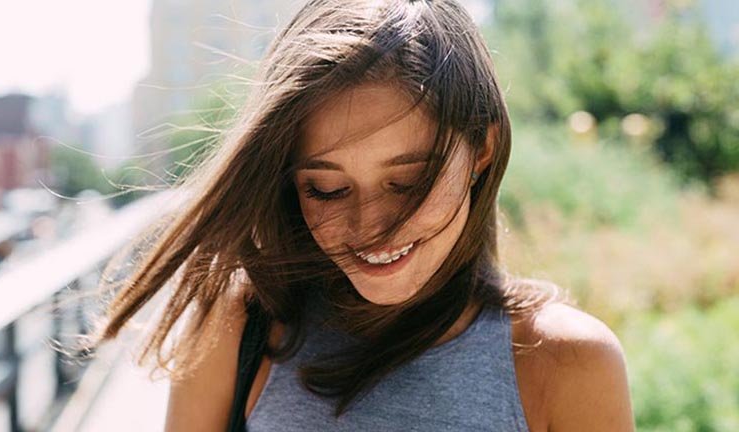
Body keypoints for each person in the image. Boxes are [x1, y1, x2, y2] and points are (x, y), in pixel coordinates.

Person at [90, 0, 635, 430]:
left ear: (482, 150)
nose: (371, 226)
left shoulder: (568, 364)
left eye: (409, 182)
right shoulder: (237, 324)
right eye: (325, 189)